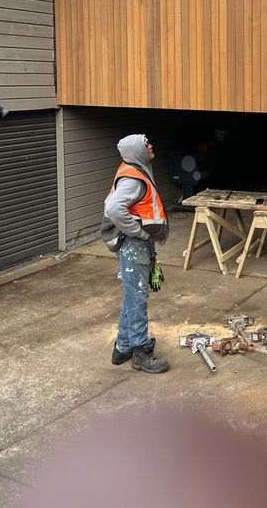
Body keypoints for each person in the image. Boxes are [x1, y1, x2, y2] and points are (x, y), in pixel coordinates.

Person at [100, 133, 170, 372]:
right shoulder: (133, 178)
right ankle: (141, 353)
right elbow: (114, 208)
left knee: (132, 295)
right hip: (133, 244)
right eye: (146, 144)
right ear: (137, 150)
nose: (151, 145)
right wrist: (139, 233)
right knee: (137, 298)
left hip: (136, 244)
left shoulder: (135, 169)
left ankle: (123, 348)